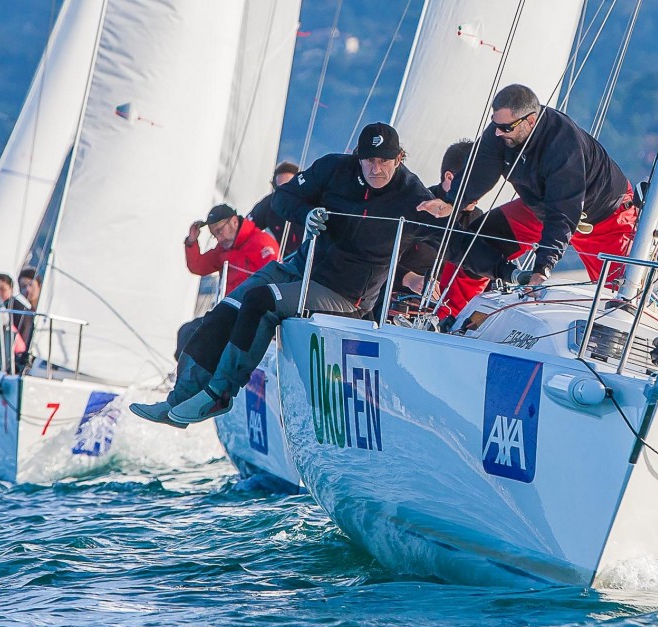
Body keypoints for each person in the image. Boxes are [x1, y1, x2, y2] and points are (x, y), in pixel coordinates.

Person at [130, 122, 438, 427]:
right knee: (224, 310)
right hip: (300, 266)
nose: (375, 169)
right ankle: (177, 401)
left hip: (345, 294)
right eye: (369, 160)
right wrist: (306, 214)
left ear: (399, 159)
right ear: (359, 157)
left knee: (261, 301)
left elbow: (450, 244)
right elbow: (282, 199)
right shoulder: (334, 168)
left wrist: (421, 261)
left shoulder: (413, 197)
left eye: (384, 161)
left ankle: (219, 393)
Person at [418, 83, 639, 318]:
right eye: (495, 124)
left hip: (606, 219)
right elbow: (480, 171)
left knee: (621, 302)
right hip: (540, 208)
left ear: (530, 121)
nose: (498, 132)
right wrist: (452, 202)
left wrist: (542, 268)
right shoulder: (499, 133)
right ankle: (447, 316)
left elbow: (562, 214)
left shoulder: (563, 147)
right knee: (477, 245)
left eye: (505, 127)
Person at [175, 204, 280, 359]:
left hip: (252, 317)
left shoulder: (262, 244)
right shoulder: (223, 249)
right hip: (230, 313)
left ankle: (198, 377)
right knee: (187, 331)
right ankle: (189, 376)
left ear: (234, 222)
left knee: (197, 333)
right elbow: (199, 266)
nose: (218, 238)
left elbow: (274, 281)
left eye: (219, 231)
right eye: (214, 235)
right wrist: (192, 241)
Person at [248, 161, 301, 257]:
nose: (285, 193)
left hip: (315, 263)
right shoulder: (268, 205)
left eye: (290, 187)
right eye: (280, 189)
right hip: (282, 263)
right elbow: (246, 229)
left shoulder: (313, 203)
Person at [0, 273, 32, 366]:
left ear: (11, 290)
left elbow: (25, 334)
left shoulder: (19, 309)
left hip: (14, 355)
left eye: (2, 289)